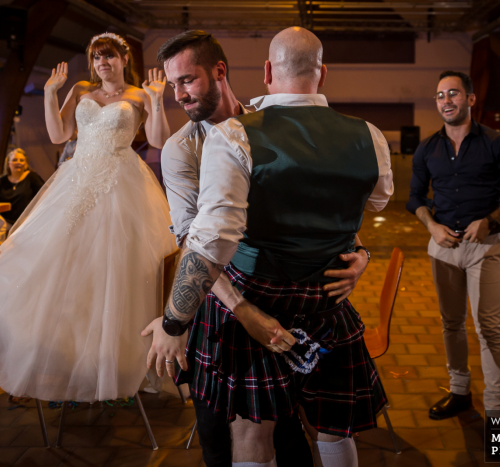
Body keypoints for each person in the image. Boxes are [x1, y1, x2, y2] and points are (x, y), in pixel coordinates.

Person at [145, 27, 393, 467]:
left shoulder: (248, 126)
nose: (179, 94)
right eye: (172, 85)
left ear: (228, 72)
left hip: (290, 293)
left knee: (288, 429)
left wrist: (361, 256)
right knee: (230, 433)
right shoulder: (181, 149)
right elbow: (192, 240)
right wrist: (241, 311)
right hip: (237, 301)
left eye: (187, 80)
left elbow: (211, 245)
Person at [0, 32, 176, 403]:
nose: (103, 63)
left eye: (110, 56)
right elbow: (59, 134)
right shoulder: (82, 88)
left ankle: (114, 362)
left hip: (122, 184)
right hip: (76, 177)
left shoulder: (138, 94)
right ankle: (66, 362)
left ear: (123, 59)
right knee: (61, 265)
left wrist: (158, 100)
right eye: (97, 57)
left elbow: (159, 140)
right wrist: (51, 93)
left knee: (114, 272)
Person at [406, 71, 500, 428]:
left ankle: (497, 412)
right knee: (451, 324)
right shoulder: (428, 148)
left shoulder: (497, 143)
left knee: (489, 328)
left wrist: (490, 221)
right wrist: (431, 225)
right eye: (440, 96)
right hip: (443, 248)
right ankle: (460, 391)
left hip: (485, 247)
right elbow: (415, 198)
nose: (446, 101)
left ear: (471, 99)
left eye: (454, 93)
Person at [0, 148, 45, 241]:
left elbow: (44, 193)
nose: (18, 162)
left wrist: (31, 215)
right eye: (14, 160)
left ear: (25, 164)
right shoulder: (2, 180)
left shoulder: (32, 177)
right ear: (8, 164)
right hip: (6, 218)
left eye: (22, 160)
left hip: (27, 217)